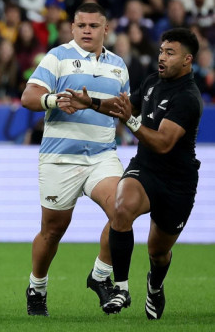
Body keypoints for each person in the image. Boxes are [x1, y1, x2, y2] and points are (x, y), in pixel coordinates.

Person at [67, 28, 202, 319]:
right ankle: (121, 287)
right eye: (161, 51)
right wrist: (89, 103)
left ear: (187, 60)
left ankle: (155, 285)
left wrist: (131, 120)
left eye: (170, 53)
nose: (161, 57)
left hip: (177, 182)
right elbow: (123, 106)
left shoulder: (189, 98)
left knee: (158, 251)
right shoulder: (153, 81)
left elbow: (164, 143)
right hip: (146, 168)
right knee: (121, 207)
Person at [20, 2, 130, 316]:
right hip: (60, 159)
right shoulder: (57, 56)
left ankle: (99, 275)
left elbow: (125, 110)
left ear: (106, 29)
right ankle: (37, 286)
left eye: (94, 26)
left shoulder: (119, 66)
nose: (86, 30)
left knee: (122, 211)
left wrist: (93, 104)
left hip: (101, 157)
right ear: (72, 28)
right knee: (53, 230)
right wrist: (55, 99)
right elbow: (28, 97)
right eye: (81, 25)